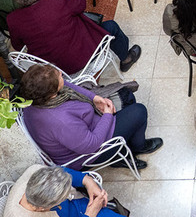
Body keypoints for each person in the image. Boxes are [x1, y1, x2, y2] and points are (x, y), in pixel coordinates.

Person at [17, 64, 161, 172]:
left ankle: (122, 152)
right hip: (90, 154)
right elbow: (92, 144)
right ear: (52, 93)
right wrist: (107, 115)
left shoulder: (35, 98)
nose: (61, 73)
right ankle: (137, 147)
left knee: (127, 97)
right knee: (139, 111)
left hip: (86, 128)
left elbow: (68, 86)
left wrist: (94, 97)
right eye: (59, 76)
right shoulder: (60, 121)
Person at [6, 0, 140, 75]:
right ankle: (125, 59)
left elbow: (18, 46)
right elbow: (81, 4)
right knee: (111, 26)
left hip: (51, 72)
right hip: (86, 57)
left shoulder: (12, 19)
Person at [4, 164, 127, 217]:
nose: (68, 195)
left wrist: (87, 181)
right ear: (42, 208)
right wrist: (90, 215)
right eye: (63, 197)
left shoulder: (35, 172)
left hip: (80, 207)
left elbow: (61, 171)